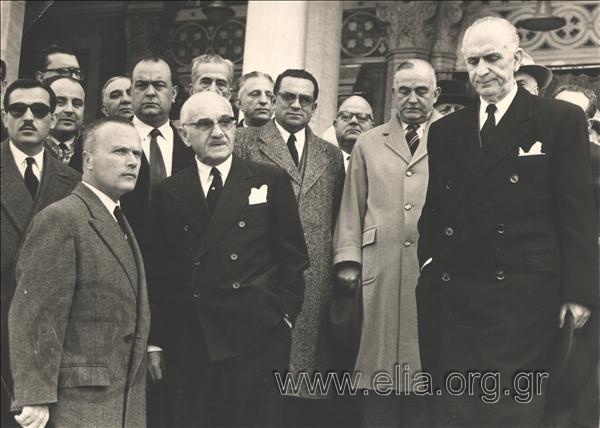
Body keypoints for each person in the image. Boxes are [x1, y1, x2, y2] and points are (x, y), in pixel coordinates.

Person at [416, 16, 597, 427]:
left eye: (492, 58)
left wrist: (579, 293)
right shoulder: (446, 131)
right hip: (456, 294)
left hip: (525, 296)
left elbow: (577, 213)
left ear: (516, 60)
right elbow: (436, 211)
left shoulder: (557, 120)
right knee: (457, 411)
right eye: (473, 61)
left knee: (511, 411)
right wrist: (428, 266)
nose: (482, 71)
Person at [146, 91, 308, 427]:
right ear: (183, 133)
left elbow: (293, 257)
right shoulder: (168, 191)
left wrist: (284, 318)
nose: (218, 132)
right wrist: (157, 340)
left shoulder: (268, 179)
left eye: (225, 122)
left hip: (257, 336)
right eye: (204, 124)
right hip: (193, 338)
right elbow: (159, 273)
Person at [8, 117, 149, 427]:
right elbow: (35, 313)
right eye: (119, 151)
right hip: (79, 402)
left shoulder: (115, 217)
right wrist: (35, 395)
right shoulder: (63, 218)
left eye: (137, 154)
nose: (131, 162)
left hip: (119, 401)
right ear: (87, 159)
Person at [334, 60, 441, 428]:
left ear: (435, 94)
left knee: (428, 362)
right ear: (392, 94)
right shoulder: (368, 142)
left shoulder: (453, 135)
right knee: (377, 365)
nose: (412, 98)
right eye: (404, 91)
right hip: (379, 265)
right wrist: (348, 259)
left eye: (421, 91)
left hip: (432, 266)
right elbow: (352, 204)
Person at [235, 68, 345, 426]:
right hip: (261, 276)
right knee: (260, 386)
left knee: (305, 386)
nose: (296, 105)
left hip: (313, 280)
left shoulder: (330, 156)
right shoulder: (245, 142)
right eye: (288, 97)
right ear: (274, 98)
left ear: (315, 107)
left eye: (305, 99)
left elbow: (336, 216)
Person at [0, 78, 80, 428]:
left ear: (51, 119)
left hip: (50, 336)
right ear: (4, 117)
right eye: (18, 110)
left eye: (39, 110)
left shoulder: (73, 181)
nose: (28, 117)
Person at [123, 54, 194, 250]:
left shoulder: (191, 146)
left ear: (173, 93)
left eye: (159, 85)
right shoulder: (109, 139)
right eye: (142, 85)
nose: (150, 93)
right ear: (130, 92)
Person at [43, 76, 85, 172]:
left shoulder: (93, 147)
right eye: (60, 102)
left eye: (77, 104)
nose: (69, 110)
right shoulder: (29, 145)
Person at [332, 95, 374, 170]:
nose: (353, 121)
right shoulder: (319, 161)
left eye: (362, 117)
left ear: (372, 127)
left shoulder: (382, 165)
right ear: (335, 125)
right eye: (346, 116)